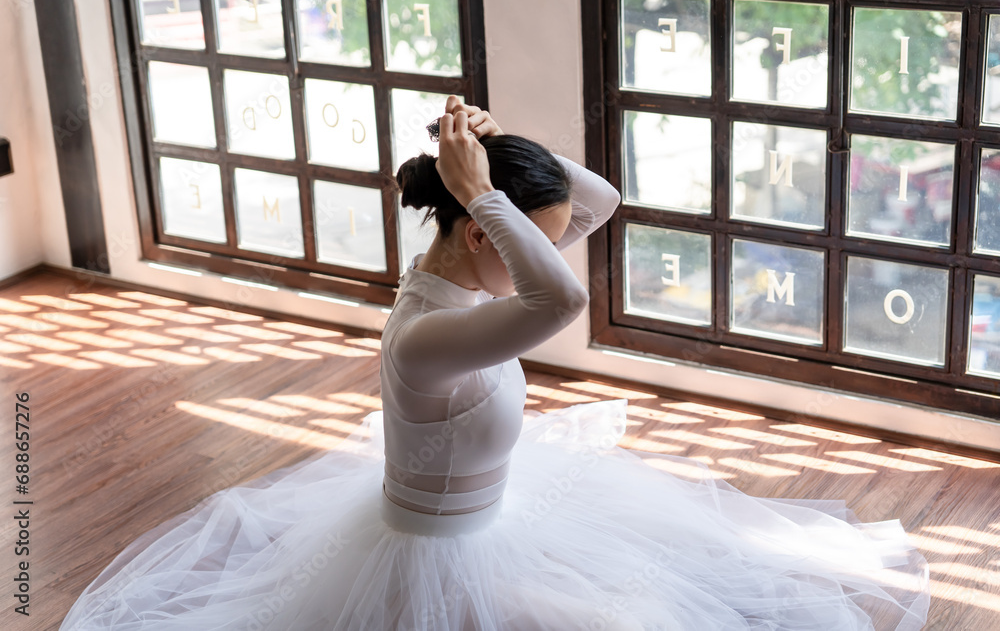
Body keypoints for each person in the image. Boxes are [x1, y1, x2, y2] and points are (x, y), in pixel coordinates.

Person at [58, 97, 931, 630]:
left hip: (496, 520)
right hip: (440, 562)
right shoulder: (428, 336)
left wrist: (498, 151)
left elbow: (600, 202)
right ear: (480, 231)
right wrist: (481, 186)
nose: (547, 254)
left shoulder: (451, 283)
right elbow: (563, 301)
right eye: (523, 238)